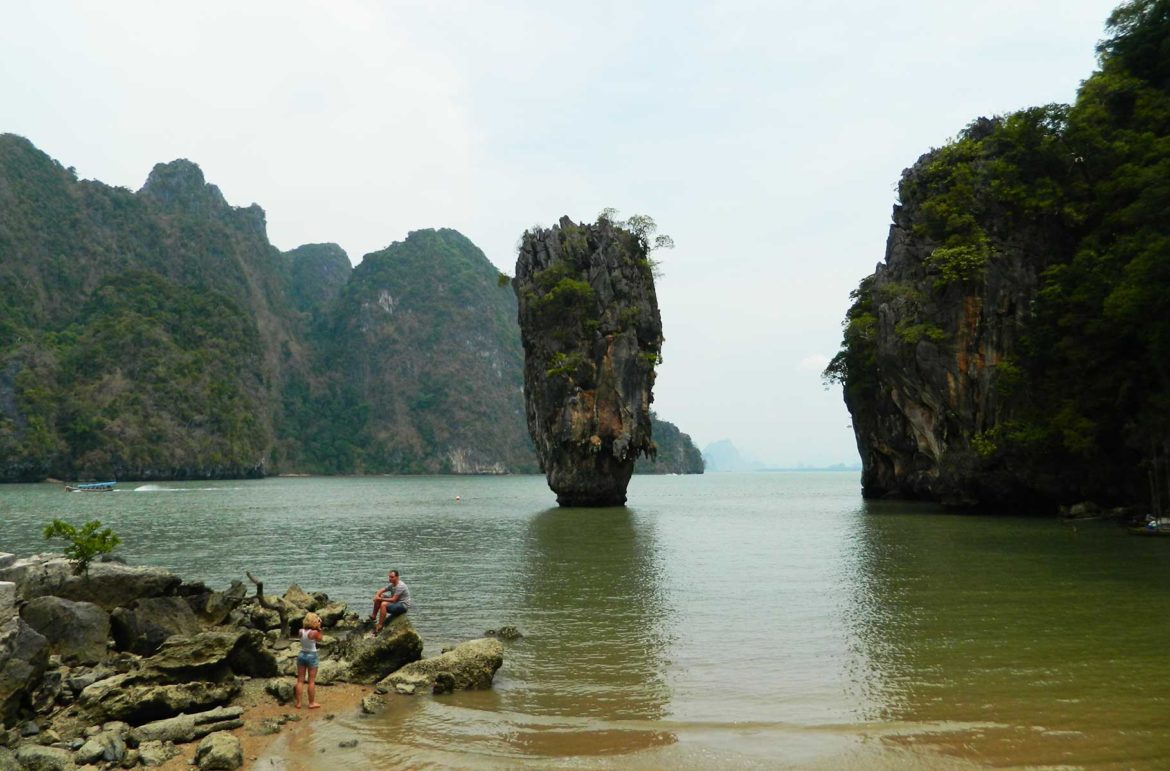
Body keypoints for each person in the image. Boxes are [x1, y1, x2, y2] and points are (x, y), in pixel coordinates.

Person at [294, 612, 323, 709]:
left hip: (302, 654)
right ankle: (311, 703)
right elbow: (320, 639)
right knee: (311, 681)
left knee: (300, 680)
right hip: (312, 655)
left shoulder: (300, 631)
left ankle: (298, 703)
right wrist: (319, 628)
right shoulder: (314, 633)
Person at [370, 569, 412, 634]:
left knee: (383, 604)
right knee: (381, 595)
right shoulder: (392, 585)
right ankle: (373, 616)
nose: (390, 578)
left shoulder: (400, 586)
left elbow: (393, 599)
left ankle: (380, 625)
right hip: (396, 603)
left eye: (392, 577)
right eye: (389, 577)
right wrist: (377, 596)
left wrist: (379, 599)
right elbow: (382, 589)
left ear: (397, 577)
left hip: (403, 605)